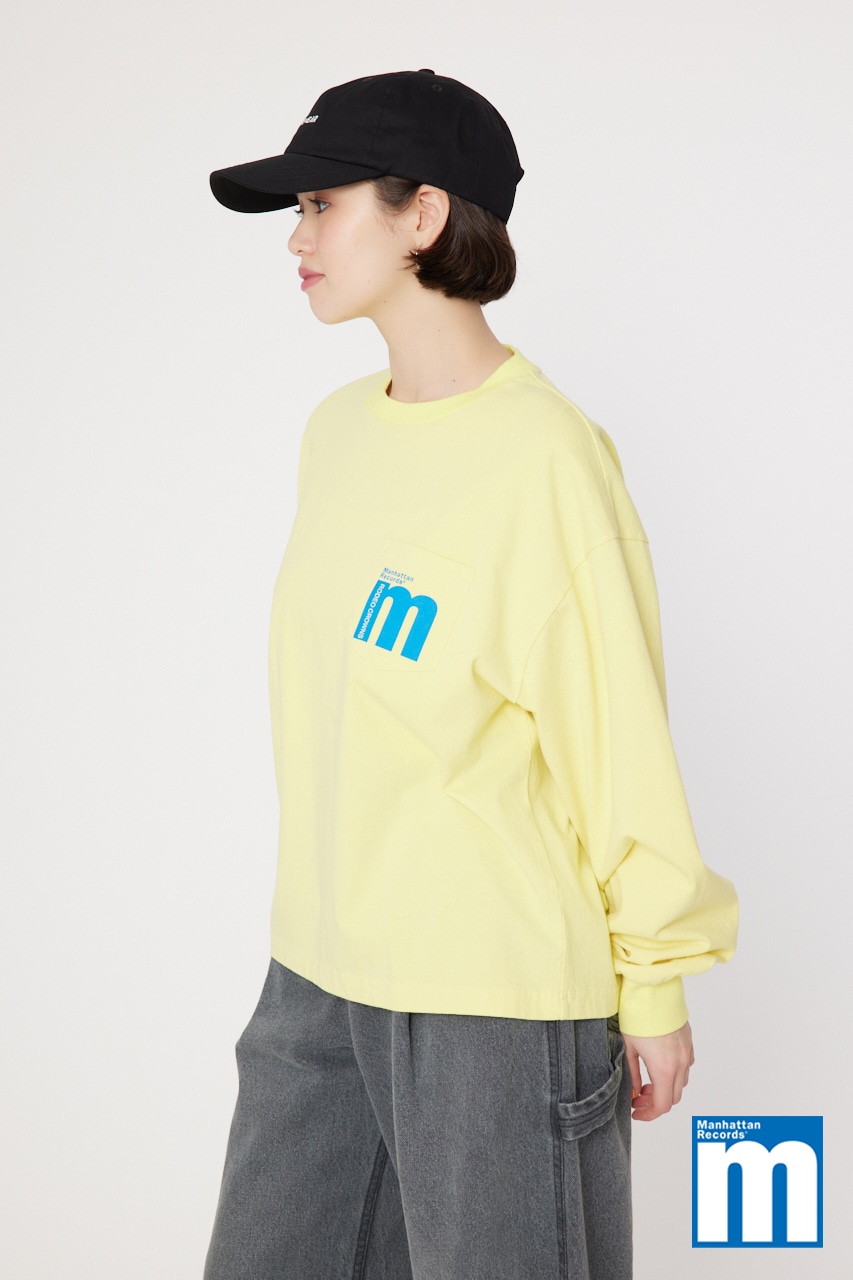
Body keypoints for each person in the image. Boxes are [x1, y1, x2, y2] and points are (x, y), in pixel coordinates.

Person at [204, 69, 738, 1280]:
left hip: (492, 1001)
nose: (296, 237)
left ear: (425, 213)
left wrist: (654, 981)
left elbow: (615, 734)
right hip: (316, 975)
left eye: (322, 204)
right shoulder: (337, 433)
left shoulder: (546, 457)